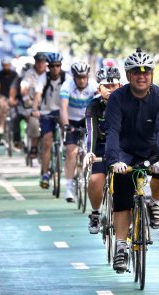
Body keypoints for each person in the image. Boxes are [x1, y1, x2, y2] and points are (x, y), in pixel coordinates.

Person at [104, 48, 159, 272]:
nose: (141, 76)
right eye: (135, 72)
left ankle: (154, 204)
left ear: (152, 74)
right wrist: (114, 160)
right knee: (122, 187)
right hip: (124, 151)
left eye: (146, 71)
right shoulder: (117, 98)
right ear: (128, 75)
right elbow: (112, 131)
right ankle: (121, 246)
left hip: (151, 148)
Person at [84, 67, 122, 233]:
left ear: (120, 86)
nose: (111, 90)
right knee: (95, 180)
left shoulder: (128, 102)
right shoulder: (94, 106)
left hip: (123, 146)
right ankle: (95, 214)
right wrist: (90, 152)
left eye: (114, 86)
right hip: (100, 146)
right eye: (107, 86)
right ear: (99, 88)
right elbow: (91, 131)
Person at [59, 61, 98, 202]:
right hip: (72, 120)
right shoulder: (67, 85)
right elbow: (63, 108)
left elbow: (99, 104)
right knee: (71, 151)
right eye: (79, 77)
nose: (82, 80)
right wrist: (66, 125)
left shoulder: (94, 85)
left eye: (84, 77)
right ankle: (69, 188)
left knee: (93, 150)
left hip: (88, 119)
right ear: (74, 77)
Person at [32, 52, 66, 189]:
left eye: (57, 65)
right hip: (46, 112)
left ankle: (65, 151)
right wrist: (35, 109)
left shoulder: (67, 78)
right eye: (52, 66)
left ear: (60, 66)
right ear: (48, 66)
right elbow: (37, 95)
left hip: (63, 111)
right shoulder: (43, 78)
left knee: (69, 133)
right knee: (47, 141)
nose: (55, 68)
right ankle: (45, 174)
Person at [19, 52, 48, 158]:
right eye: (39, 62)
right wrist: (26, 98)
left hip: (48, 104)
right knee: (33, 121)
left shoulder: (49, 73)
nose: (41, 64)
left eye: (43, 62)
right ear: (35, 62)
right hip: (32, 103)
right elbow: (24, 87)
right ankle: (34, 146)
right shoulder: (29, 73)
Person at [0, 57, 18, 134]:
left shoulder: (15, 74)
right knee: (3, 106)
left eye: (7, 65)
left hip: (13, 96)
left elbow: (16, 87)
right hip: (2, 96)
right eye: (4, 65)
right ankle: (1, 125)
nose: (6, 67)